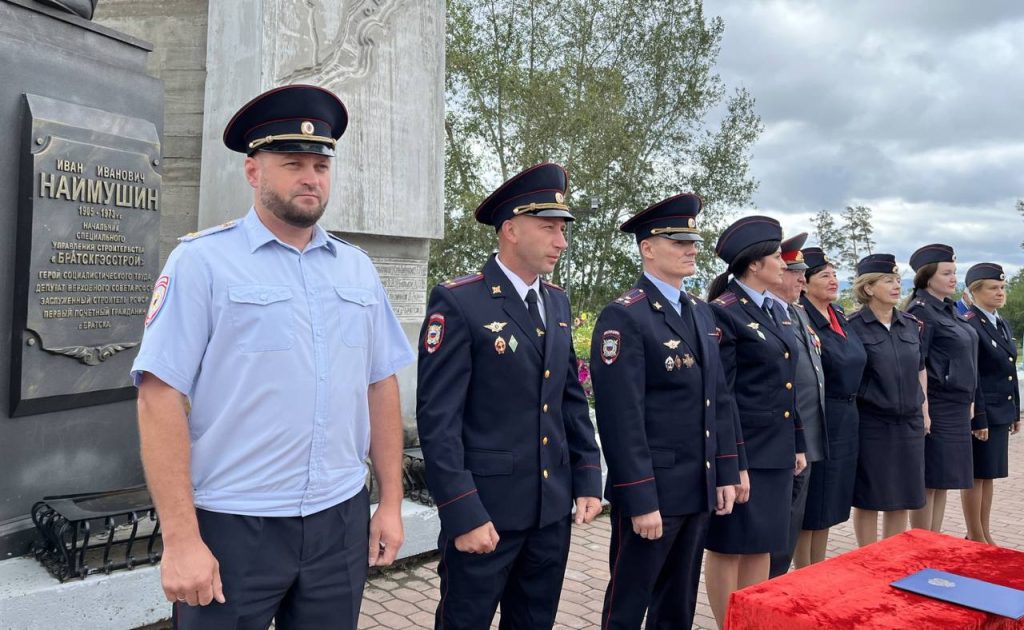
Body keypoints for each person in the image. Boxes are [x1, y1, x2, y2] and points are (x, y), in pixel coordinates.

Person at [131, 85, 415, 629]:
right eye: (292, 163)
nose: (311, 177)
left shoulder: (356, 270)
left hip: (338, 521)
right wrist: (182, 538)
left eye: (320, 164)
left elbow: (381, 383)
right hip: (236, 524)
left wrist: (391, 502)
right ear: (253, 171)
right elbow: (158, 396)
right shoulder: (203, 263)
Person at [415, 163, 603, 630]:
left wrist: (586, 479)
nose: (561, 241)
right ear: (511, 229)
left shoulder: (556, 301)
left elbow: (569, 401)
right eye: (550, 228)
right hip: (487, 512)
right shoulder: (460, 301)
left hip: (549, 511)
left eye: (563, 230)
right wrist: (462, 513)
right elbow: (439, 421)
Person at [589, 194, 739, 628]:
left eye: (692, 240)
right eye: (678, 241)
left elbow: (719, 400)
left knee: (678, 603)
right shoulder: (626, 317)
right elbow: (621, 419)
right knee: (629, 602)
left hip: (697, 485)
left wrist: (725, 472)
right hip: (654, 492)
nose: (691, 248)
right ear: (648, 248)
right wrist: (639, 499)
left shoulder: (700, 312)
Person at [704, 216, 807, 627]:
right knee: (730, 546)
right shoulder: (724, 312)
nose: (784, 263)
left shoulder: (776, 312)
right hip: (744, 448)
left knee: (763, 542)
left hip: (777, 448)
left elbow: (787, 385)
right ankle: (727, 622)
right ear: (753, 265)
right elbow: (722, 396)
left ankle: (751, 620)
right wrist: (734, 461)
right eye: (775, 256)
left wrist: (797, 441)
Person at [845, 254, 927, 545]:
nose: (896, 285)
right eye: (888, 280)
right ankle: (866, 560)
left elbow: (920, 368)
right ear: (868, 288)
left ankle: (892, 556)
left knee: (903, 495)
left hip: (909, 422)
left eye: (897, 280)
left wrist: (925, 411)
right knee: (870, 496)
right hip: (873, 422)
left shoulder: (911, 324)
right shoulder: (853, 326)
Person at [903, 244, 984, 534]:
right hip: (936, 405)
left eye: (954, 272)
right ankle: (922, 544)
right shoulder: (921, 311)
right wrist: (923, 410)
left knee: (943, 480)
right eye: (946, 273)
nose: (953, 278)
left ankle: (933, 541)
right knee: (930, 481)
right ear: (927, 277)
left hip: (957, 406)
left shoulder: (948, 308)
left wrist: (971, 397)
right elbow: (916, 364)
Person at [794, 248, 866, 565]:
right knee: (811, 505)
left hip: (846, 418)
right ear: (805, 283)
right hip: (818, 417)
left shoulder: (839, 316)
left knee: (829, 503)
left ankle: (817, 567)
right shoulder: (802, 317)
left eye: (835, 274)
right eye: (825, 275)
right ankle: (804, 571)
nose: (833, 280)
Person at [768, 234, 826, 577]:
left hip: (805, 439)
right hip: (778, 441)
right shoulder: (763, 315)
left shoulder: (797, 313)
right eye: (794, 270)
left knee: (791, 527)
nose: (802, 278)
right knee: (773, 534)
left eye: (804, 271)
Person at [961, 263, 1021, 544]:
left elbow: (1010, 368)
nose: (1000, 293)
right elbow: (975, 377)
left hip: (1001, 410)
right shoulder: (972, 323)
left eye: (1002, 287)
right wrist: (979, 417)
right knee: (976, 476)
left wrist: (1016, 411)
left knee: (989, 476)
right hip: (983, 412)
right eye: (993, 288)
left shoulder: (1001, 322)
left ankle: (983, 532)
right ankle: (975, 535)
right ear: (974, 292)